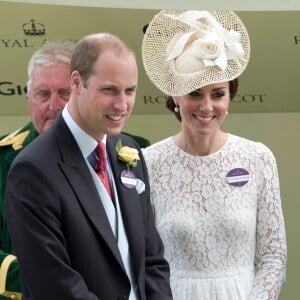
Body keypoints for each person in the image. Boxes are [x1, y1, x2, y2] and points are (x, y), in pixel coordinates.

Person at [5, 33, 172, 300]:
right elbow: (54, 285)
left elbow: (151, 260)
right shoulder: (33, 168)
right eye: (109, 90)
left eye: (129, 90)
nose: (121, 104)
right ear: (77, 82)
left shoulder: (129, 151)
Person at [142, 10, 287, 299]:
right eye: (194, 93)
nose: (206, 107)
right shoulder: (148, 162)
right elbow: (140, 261)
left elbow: (274, 258)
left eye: (217, 94)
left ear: (230, 95)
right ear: (174, 97)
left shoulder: (257, 157)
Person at [0, 40, 75, 299]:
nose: (54, 105)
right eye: (43, 94)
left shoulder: (126, 153)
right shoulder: (1, 159)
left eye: (65, 93)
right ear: (29, 98)